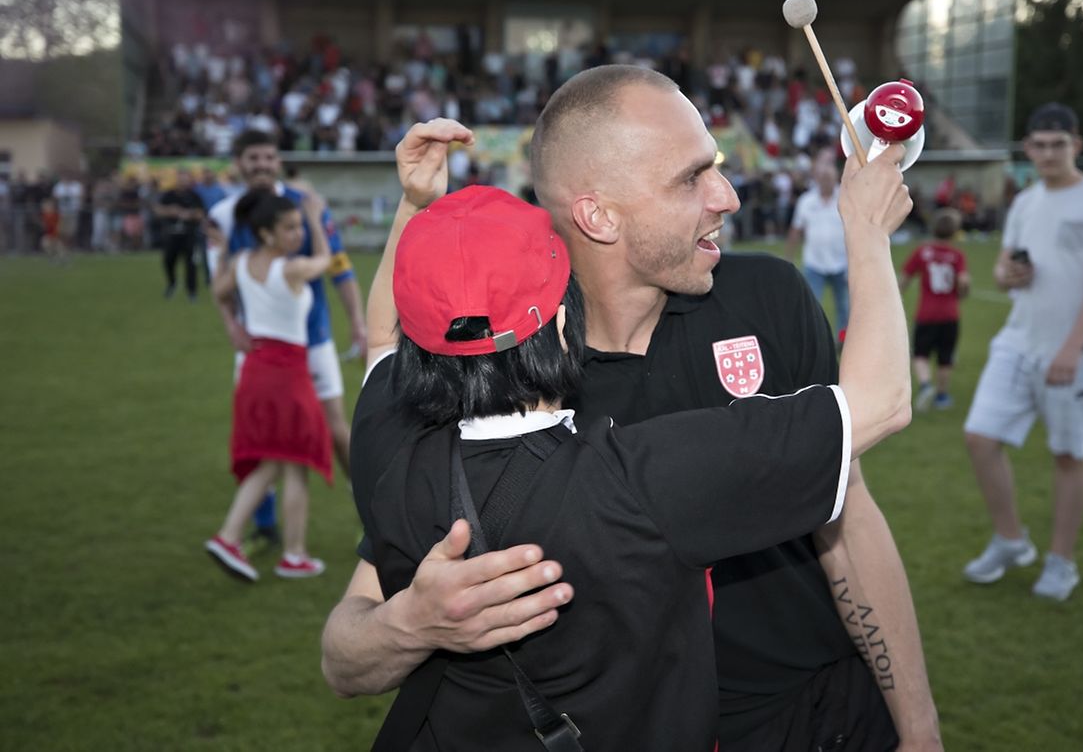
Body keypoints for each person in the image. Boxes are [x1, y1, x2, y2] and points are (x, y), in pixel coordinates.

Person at [323, 67, 942, 752]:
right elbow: (345, 650)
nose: (728, 196)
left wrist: (919, 731)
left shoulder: (770, 297)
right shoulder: (502, 374)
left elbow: (848, 521)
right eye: (690, 178)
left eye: (719, 166)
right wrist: (410, 626)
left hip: (816, 715)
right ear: (599, 214)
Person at [961, 103, 1083, 602]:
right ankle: (1011, 540)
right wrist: (1006, 276)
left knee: (1067, 454)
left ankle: (1062, 561)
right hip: (1019, 337)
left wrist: (1073, 347)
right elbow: (1001, 269)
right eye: (1040, 144)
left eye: (1060, 144)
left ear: (1076, 146)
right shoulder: (1026, 202)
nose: (1049, 152)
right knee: (980, 438)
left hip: (1077, 347)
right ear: (1028, 149)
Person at [207, 130, 366, 544]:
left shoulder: (305, 204)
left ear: (277, 161)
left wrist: (358, 321)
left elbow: (338, 265)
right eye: (252, 157)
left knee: (334, 429)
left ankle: (371, 508)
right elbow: (218, 280)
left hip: (312, 338)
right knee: (260, 434)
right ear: (239, 163)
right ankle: (265, 528)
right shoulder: (225, 214)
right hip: (258, 344)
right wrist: (231, 326)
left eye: (268, 157)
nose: (261, 164)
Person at [205, 188, 334, 581]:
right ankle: (240, 539)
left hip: (255, 370)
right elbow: (326, 261)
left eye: (298, 226)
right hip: (287, 376)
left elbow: (218, 291)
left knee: (279, 462)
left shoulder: (242, 262)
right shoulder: (292, 269)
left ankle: (289, 551)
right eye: (290, 228)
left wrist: (233, 321)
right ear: (266, 233)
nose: (297, 234)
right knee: (290, 462)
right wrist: (315, 217)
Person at [900, 208, 969, 411]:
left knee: (920, 354)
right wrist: (962, 293)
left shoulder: (922, 252)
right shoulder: (957, 255)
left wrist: (897, 296)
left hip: (926, 314)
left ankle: (925, 384)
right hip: (950, 314)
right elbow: (963, 282)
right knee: (945, 357)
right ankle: (941, 396)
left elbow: (904, 278)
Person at [788, 148, 850, 333]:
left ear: (835, 180)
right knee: (813, 304)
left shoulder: (845, 199)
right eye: (823, 180)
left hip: (841, 262)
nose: (826, 183)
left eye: (829, 180)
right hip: (815, 262)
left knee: (844, 305)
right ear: (817, 180)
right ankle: (816, 337)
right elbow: (796, 230)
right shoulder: (806, 201)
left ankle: (842, 339)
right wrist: (790, 257)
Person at [154, 168, 206, 301]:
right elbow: (158, 210)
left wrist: (190, 214)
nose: (183, 181)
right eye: (181, 178)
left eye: (185, 179)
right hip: (172, 234)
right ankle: (172, 283)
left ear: (189, 180)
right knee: (168, 260)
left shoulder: (194, 196)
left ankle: (192, 292)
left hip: (190, 234)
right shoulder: (168, 195)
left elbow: (201, 214)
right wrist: (171, 211)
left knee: (191, 264)